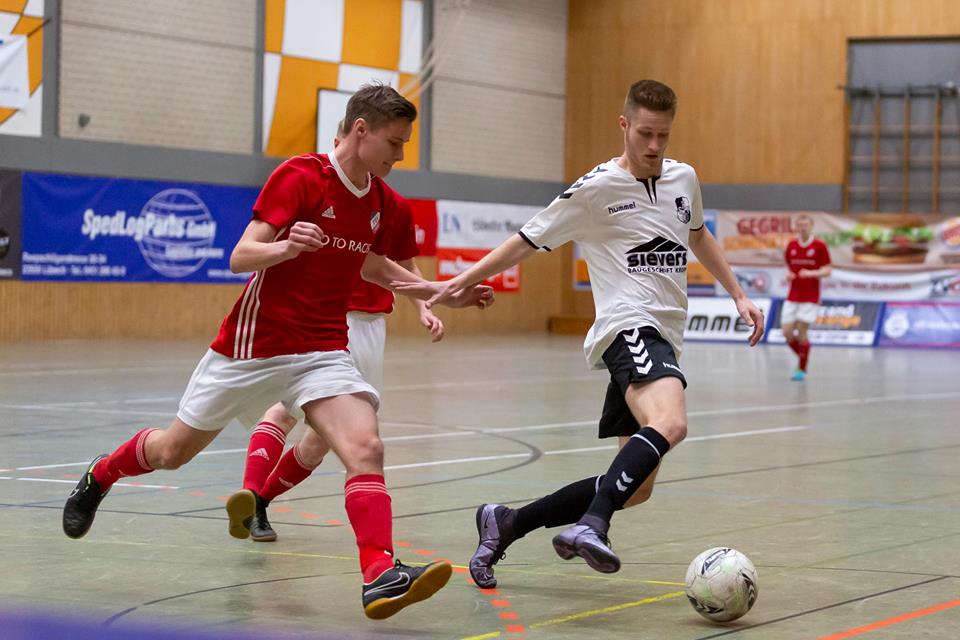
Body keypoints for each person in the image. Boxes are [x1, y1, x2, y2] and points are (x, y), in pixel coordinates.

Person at [62, 84, 493, 619]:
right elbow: (241, 255)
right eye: (394, 142)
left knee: (366, 447)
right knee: (172, 451)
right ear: (361, 130)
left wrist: (442, 293)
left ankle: (379, 574)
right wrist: (286, 246)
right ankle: (102, 473)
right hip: (254, 347)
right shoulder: (301, 176)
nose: (400, 155)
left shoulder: (379, 200)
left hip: (322, 349)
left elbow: (371, 265)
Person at [395, 79, 764, 587]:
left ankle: (507, 523)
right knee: (672, 423)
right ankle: (594, 524)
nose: (654, 145)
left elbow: (698, 235)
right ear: (624, 125)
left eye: (663, 135)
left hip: (665, 333)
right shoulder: (595, 189)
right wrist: (460, 280)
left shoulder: (684, 178)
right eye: (645, 133)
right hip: (628, 326)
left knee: (635, 487)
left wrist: (738, 294)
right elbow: (526, 239)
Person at [231, 190, 444, 544]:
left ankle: (260, 503)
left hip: (370, 327)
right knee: (284, 410)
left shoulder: (394, 206)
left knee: (318, 443)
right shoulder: (322, 189)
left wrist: (424, 307)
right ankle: (248, 494)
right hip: (323, 316)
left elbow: (405, 265)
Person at [781, 215, 831, 381]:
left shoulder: (819, 246)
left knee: (802, 331)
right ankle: (804, 356)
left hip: (810, 296)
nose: (803, 228)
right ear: (796, 227)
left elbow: (828, 270)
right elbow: (788, 267)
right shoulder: (791, 245)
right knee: (786, 332)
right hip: (793, 295)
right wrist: (788, 274)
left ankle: (801, 368)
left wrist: (811, 273)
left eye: (806, 225)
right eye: (800, 225)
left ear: (811, 226)